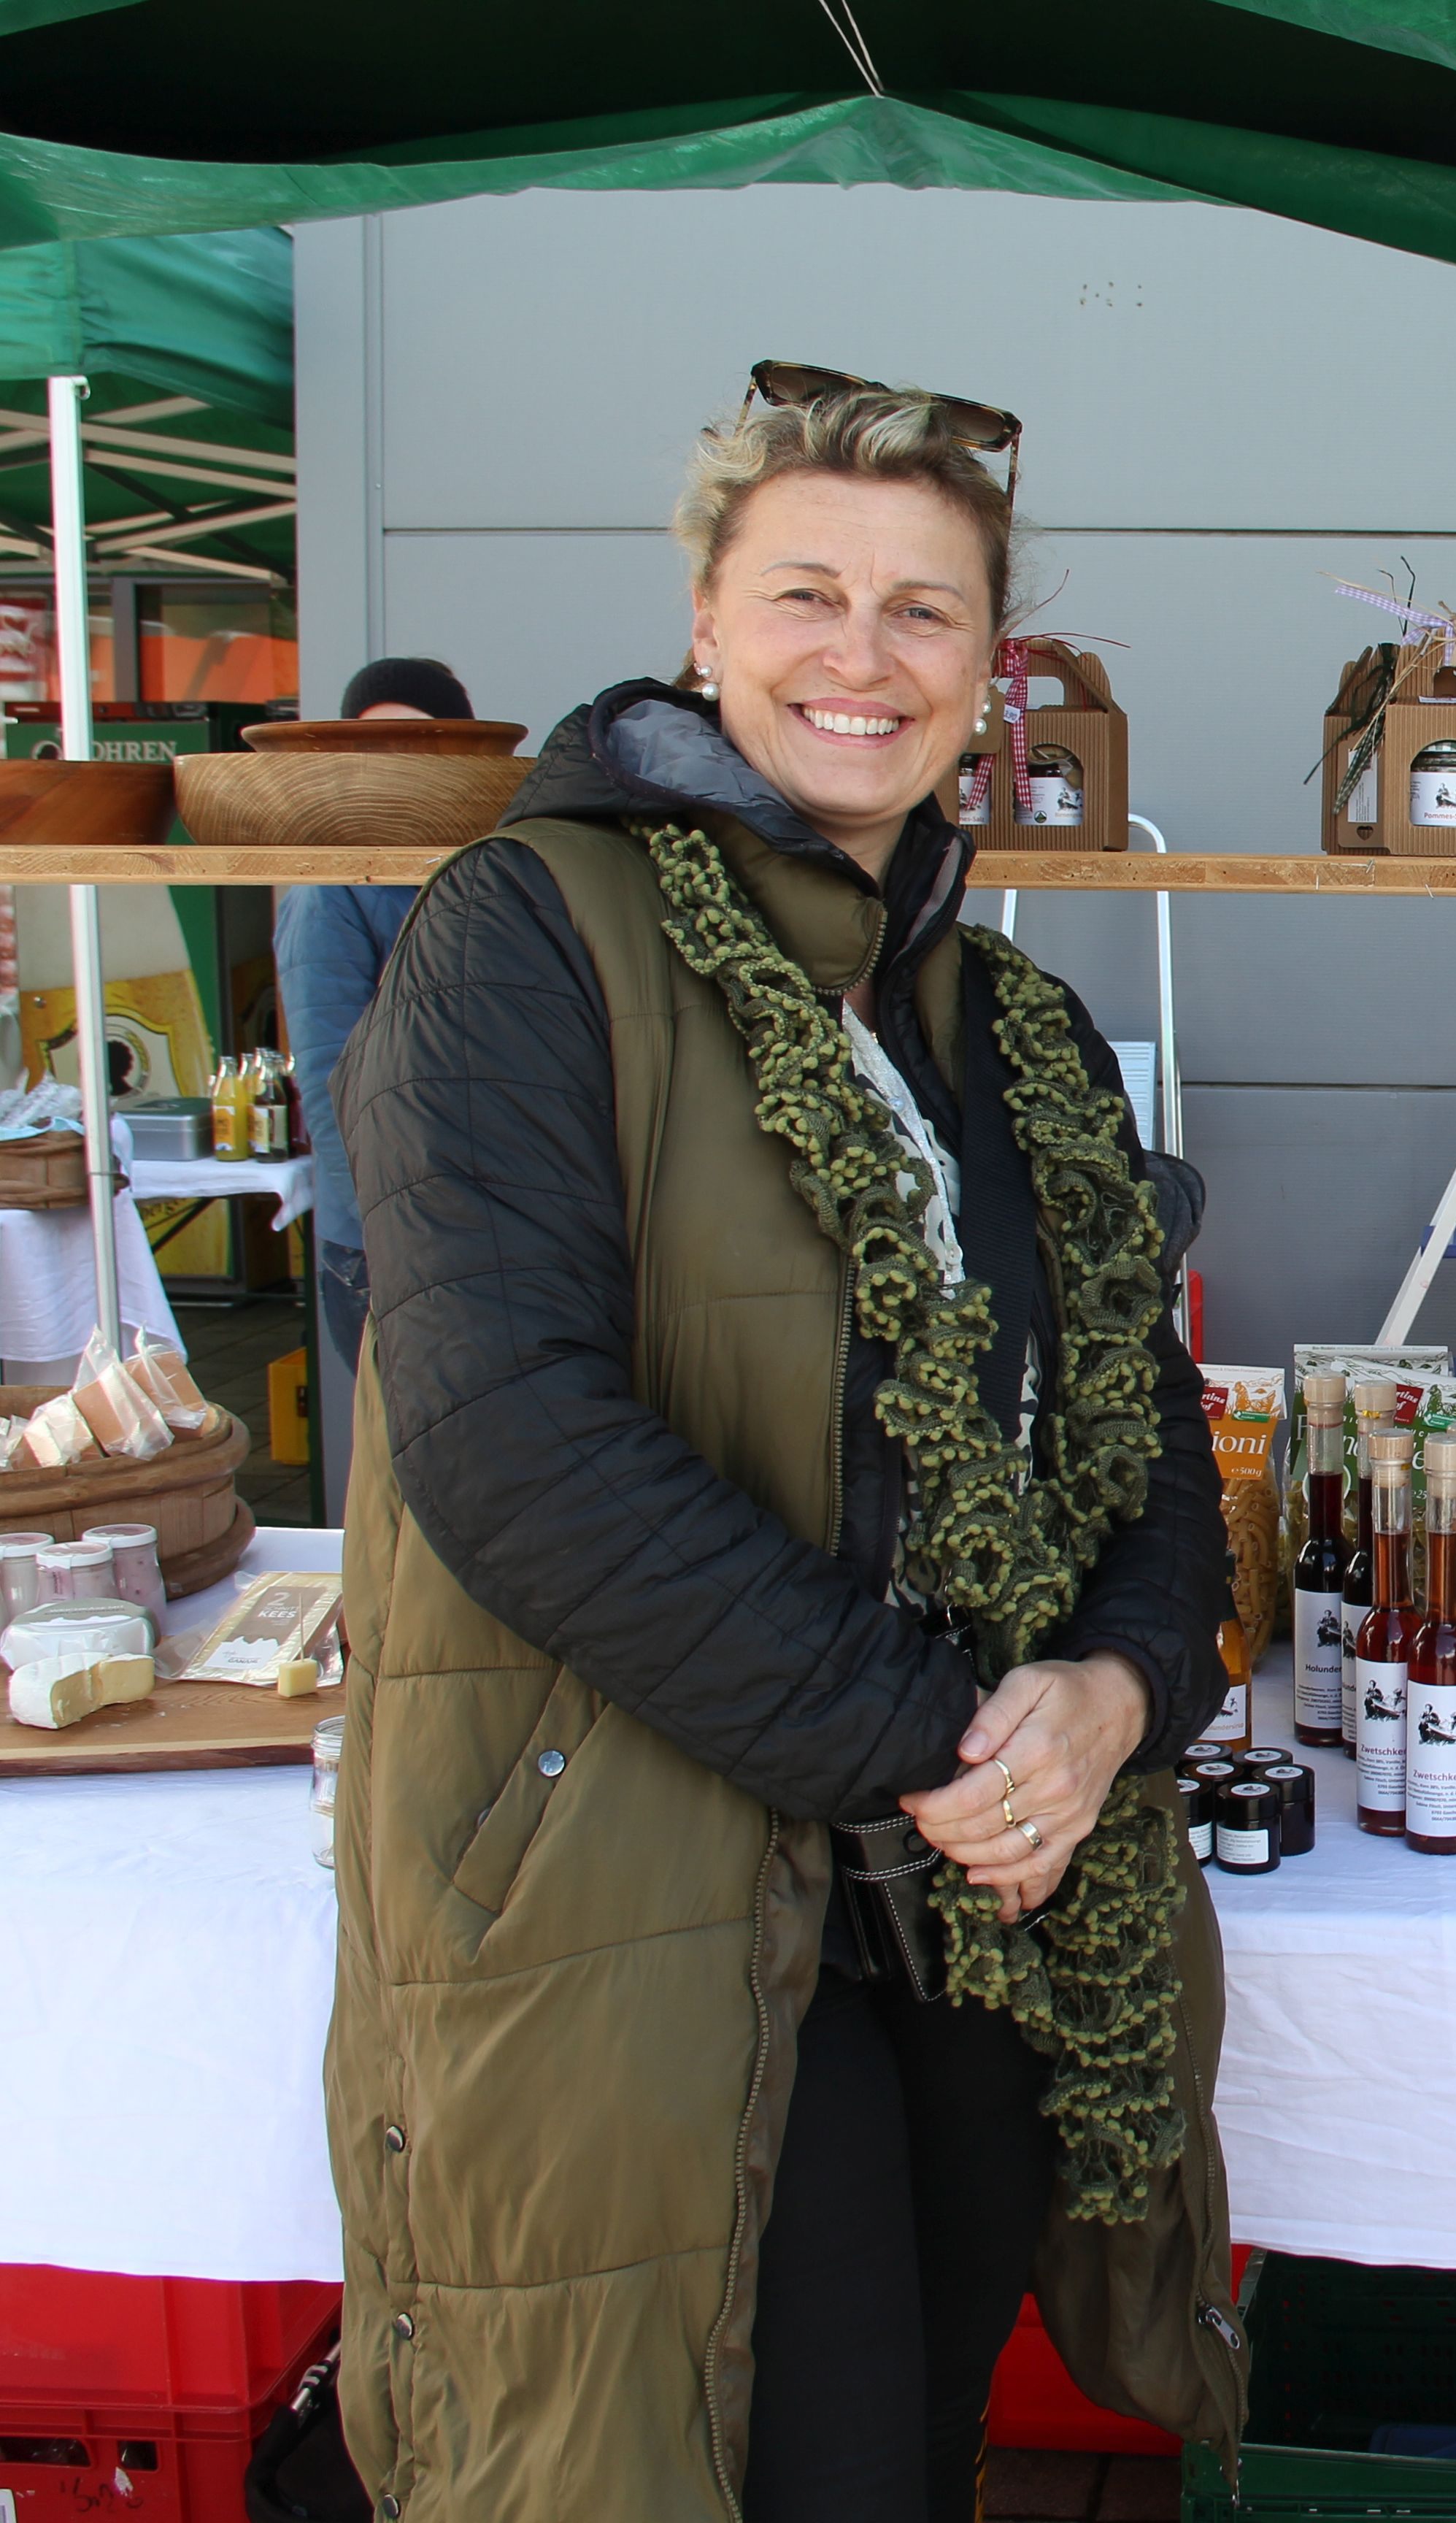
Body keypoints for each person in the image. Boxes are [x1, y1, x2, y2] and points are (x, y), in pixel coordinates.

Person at [320, 372, 1245, 2523]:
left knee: (902, 2460)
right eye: (809, 592)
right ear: (706, 627)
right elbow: (508, 1437)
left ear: (986, 676)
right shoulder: (526, 942)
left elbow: (1149, 1438)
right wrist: (946, 1741)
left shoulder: (1009, 1032)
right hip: (630, 1895)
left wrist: (1114, 1694)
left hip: (964, 1922)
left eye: (927, 613)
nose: (866, 654)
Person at [272, 656, 470, 1372]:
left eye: (420, 740)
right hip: (385, 1243)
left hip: (482, 1230)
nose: (397, 761)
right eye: (375, 741)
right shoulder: (330, 890)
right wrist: (388, 1230)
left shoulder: (481, 866)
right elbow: (331, 1081)